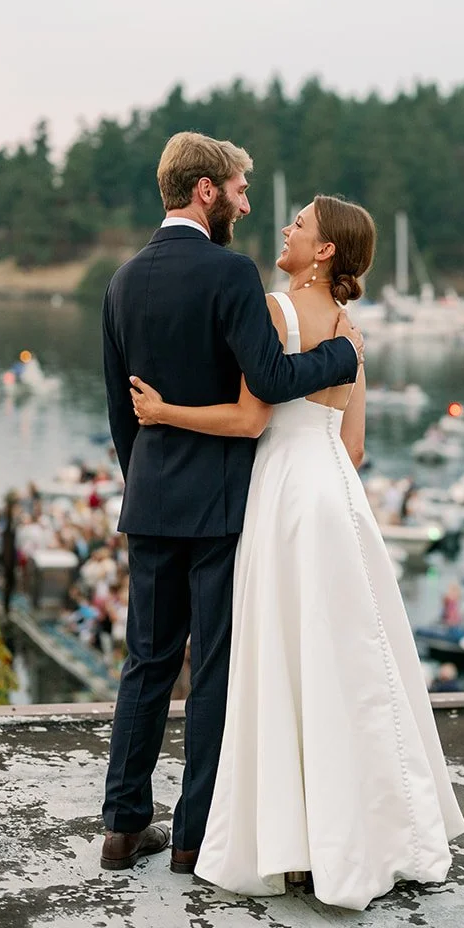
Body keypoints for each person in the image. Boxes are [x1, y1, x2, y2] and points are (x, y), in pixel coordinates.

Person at [123, 182, 463, 910]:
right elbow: (357, 443)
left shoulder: (276, 310)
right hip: (338, 497)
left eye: (300, 224)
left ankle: (294, 839)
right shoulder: (348, 329)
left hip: (283, 496)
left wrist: (161, 410)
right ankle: (369, 831)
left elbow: (251, 417)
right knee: (348, 667)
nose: (286, 228)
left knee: (279, 662)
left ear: (324, 248)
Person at [95, 136, 375, 884]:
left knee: (146, 664)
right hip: (221, 505)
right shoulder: (230, 274)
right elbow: (274, 378)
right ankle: (191, 839)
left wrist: (145, 480)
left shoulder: (121, 282)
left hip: (151, 499)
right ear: (208, 193)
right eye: (241, 190)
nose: (250, 206)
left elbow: (122, 417)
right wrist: (343, 360)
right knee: (212, 672)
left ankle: (122, 828)